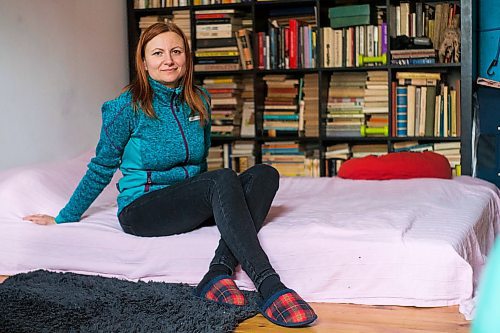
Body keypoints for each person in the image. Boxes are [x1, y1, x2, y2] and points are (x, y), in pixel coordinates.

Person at [23, 22, 317, 327]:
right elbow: (101, 167)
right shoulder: (126, 107)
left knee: (265, 174)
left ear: (187, 57)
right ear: (143, 61)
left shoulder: (199, 99)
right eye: (158, 53)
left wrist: (217, 200)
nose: (168, 60)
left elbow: (201, 164)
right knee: (222, 177)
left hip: (187, 202)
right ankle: (270, 285)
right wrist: (64, 217)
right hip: (143, 210)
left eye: (176, 51)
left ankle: (217, 273)